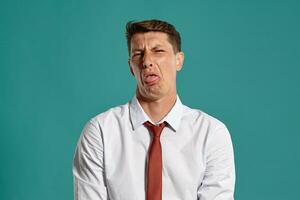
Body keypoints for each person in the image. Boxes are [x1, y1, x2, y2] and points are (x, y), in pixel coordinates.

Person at [72, 19, 235, 200]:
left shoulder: (211, 133)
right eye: (138, 54)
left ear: (178, 60)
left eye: (158, 51)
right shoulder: (100, 131)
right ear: (131, 68)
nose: (147, 61)